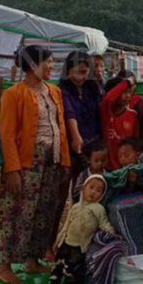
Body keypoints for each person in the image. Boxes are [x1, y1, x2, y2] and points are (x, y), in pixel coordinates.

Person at [0, 45, 71, 284]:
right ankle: (4, 266)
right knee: (16, 212)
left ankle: (32, 259)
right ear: (32, 65)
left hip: (52, 159)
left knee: (43, 210)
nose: (51, 66)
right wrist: (12, 169)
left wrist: (64, 160)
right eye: (48, 62)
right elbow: (7, 134)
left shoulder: (54, 91)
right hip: (26, 161)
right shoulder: (13, 94)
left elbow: (58, 125)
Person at [47, 174, 116, 284]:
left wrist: (113, 234)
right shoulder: (75, 207)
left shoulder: (98, 209)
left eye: (98, 190)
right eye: (91, 187)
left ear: (102, 195)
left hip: (81, 246)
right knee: (57, 266)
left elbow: (104, 224)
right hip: (67, 243)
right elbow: (66, 225)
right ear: (83, 189)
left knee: (77, 268)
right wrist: (58, 240)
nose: (93, 192)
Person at [60, 50, 102, 185]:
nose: (80, 77)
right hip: (73, 146)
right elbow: (69, 112)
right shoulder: (62, 90)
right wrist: (76, 137)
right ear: (68, 71)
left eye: (84, 73)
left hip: (94, 144)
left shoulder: (93, 89)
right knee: (73, 182)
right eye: (77, 72)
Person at [100, 72, 139, 170]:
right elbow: (108, 98)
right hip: (108, 167)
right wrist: (126, 83)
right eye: (123, 92)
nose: (127, 96)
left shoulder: (133, 115)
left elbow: (136, 141)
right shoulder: (106, 113)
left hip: (127, 167)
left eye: (129, 92)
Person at [71, 138, 108, 202]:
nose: (100, 163)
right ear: (89, 160)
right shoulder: (83, 175)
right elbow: (75, 194)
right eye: (96, 161)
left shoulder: (108, 175)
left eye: (103, 160)